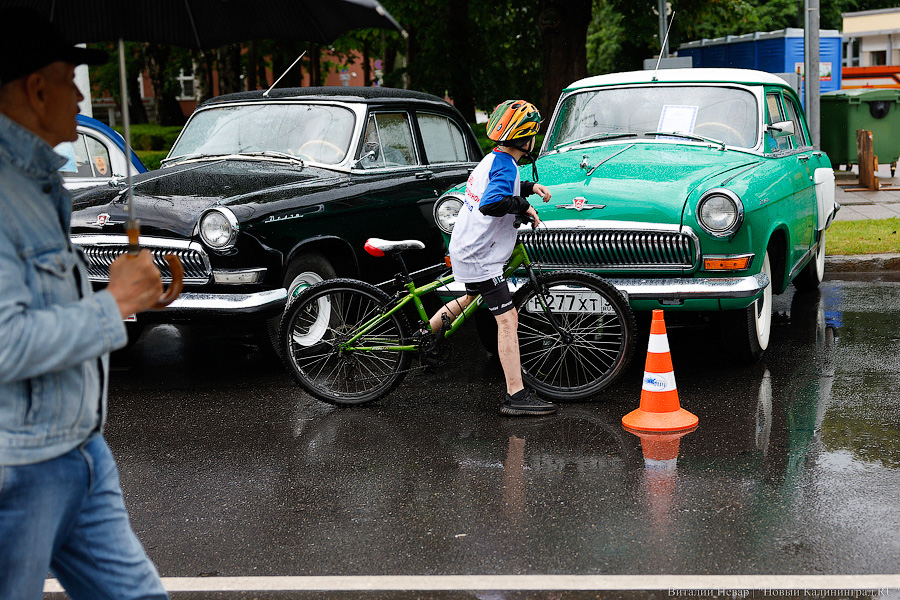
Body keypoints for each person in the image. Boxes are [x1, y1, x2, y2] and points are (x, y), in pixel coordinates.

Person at [0, 8, 169, 600]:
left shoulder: (37, 185)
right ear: (34, 88)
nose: (79, 94)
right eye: (70, 78)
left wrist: (119, 295)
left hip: (79, 451)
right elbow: (6, 344)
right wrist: (115, 303)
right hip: (18, 470)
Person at [426, 99, 557, 416]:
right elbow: (492, 202)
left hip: (469, 248)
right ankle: (516, 396)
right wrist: (522, 206)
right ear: (525, 138)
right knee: (507, 319)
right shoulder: (503, 165)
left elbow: (499, 186)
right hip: (479, 255)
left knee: (472, 297)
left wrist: (528, 187)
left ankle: (424, 337)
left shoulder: (496, 160)